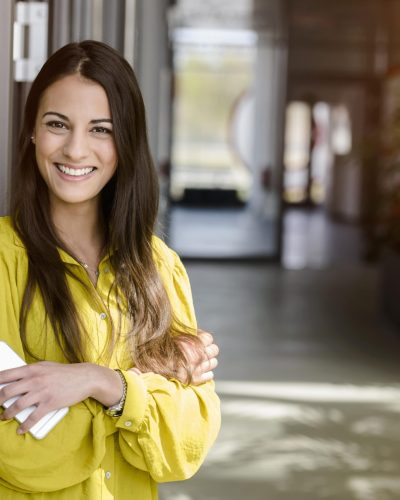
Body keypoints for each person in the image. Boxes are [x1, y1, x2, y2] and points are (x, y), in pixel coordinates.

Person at [0, 40, 221, 499]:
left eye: (101, 129)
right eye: (57, 124)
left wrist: (100, 382)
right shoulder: (4, 257)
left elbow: (186, 443)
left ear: (126, 142)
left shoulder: (159, 266)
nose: (76, 149)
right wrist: (142, 398)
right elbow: (16, 451)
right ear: (32, 133)